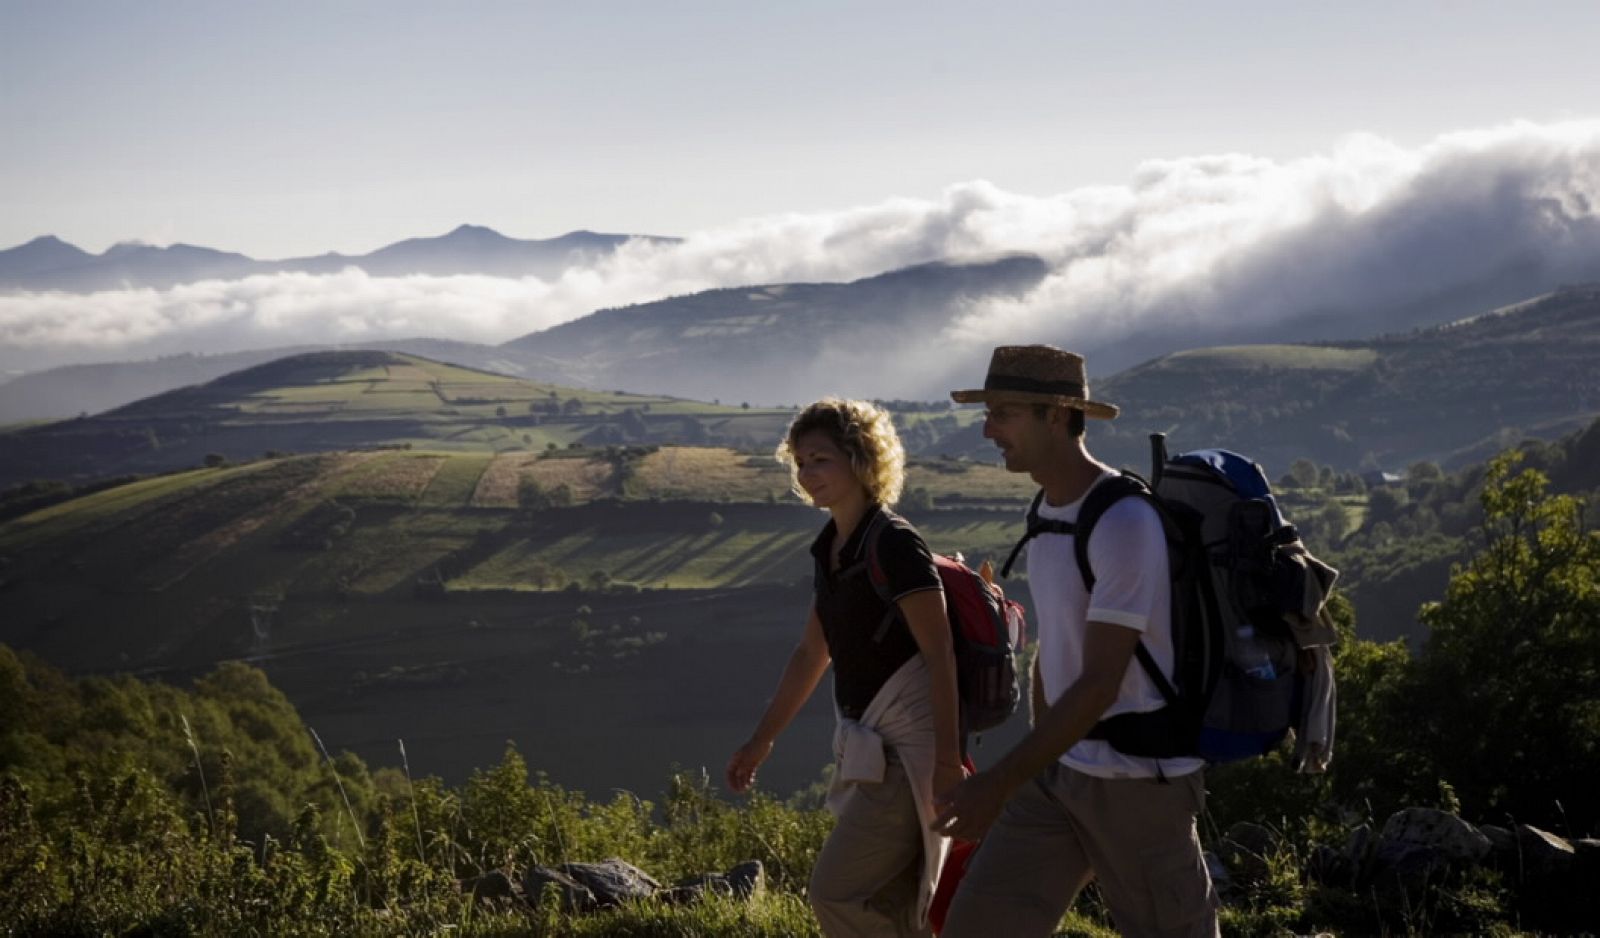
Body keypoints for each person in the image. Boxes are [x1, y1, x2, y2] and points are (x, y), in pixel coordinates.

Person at [932, 346, 1219, 938]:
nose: (988, 430)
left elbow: (1099, 681)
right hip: (1061, 776)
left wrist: (1002, 780)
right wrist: (1043, 763)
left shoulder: (1123, 522)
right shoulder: (1049, 512)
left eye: (1004, 413)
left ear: (1058, 416)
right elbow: (1054, 651)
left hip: (1139, 784)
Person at [726, 397, 964, 937]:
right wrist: (761, 741)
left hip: (908, 756)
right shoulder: (832, 548)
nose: (807, 475)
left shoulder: (895, 544)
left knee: (834, 893)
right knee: (896, 908)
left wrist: (948, 761)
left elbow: (940, 653)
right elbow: (813, 653)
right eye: (801, 462)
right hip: (870, 751)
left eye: (821, 460)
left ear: (861, 459)